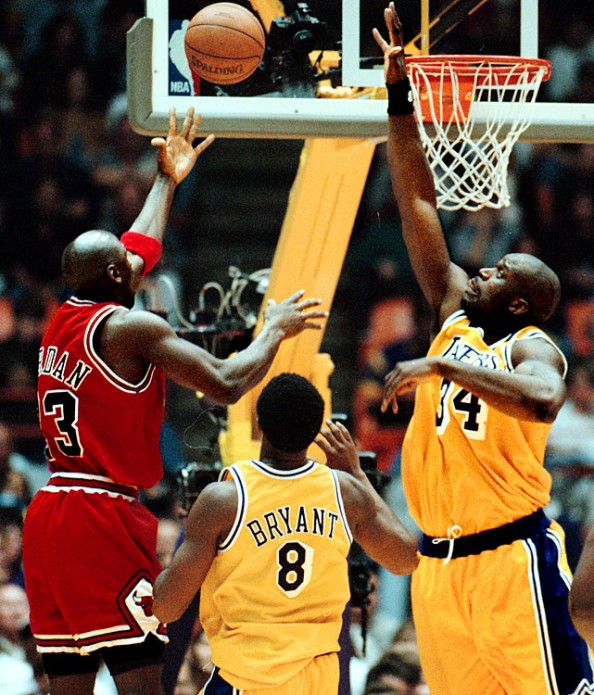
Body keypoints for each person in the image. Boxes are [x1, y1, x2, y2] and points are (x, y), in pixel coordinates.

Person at [21, 108, 328, 695]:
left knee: (68, 684)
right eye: (127, 267)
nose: (138, 266)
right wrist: (273, 329)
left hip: (51, 513)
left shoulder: (64, 316)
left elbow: (136, 249)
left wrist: (167, 178)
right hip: (100, 516)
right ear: (117, 277)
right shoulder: (130, 327)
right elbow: (226, 382)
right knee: (144, 684)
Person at [373, 4, 594, 694]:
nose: (482, 271)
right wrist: (399, 96)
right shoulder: (452, 311)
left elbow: (543, 400)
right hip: (439, 567)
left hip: (512, 558)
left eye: (499, 274)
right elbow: (416, 202)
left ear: (519, 304)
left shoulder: (534, 347)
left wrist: (444, 365)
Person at [152, 372, 419, 694]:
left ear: (258, 424)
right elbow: (406, 559)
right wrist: (357, 474)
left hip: (248, 679)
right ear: (316, 431)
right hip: (318, 682)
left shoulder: (225, 499)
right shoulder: (345, 492)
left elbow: (166, 608)